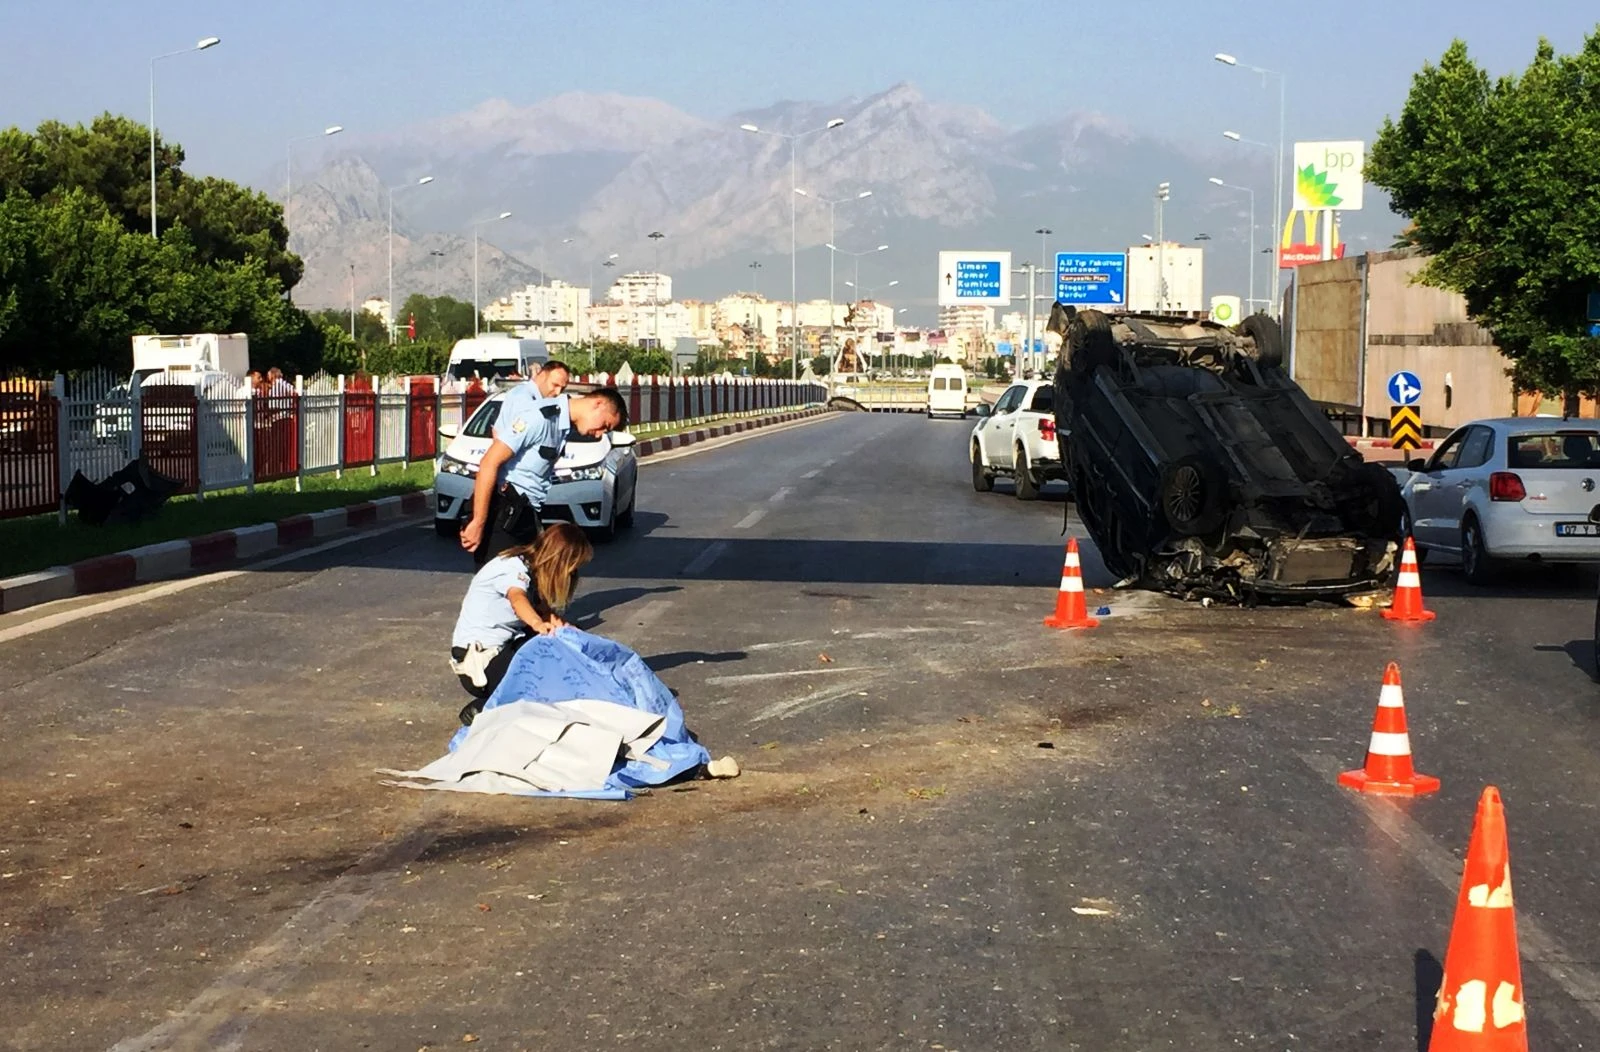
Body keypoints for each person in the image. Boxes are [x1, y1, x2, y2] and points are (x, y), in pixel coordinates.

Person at [460, 385, 628, 565]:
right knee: (500, 586)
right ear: (598, 403)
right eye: (605, 425)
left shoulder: (562, 427)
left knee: (530, 584)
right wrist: (478, 521)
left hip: (526, 514)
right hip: (503, 514)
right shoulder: (540, 418)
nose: (600, 434)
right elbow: (489, 463)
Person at [449, 523, 594, 725]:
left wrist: (576, 636)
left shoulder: (530, 571)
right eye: (572, 568)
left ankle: (504, 700)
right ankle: (485, 708)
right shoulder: (512, 568)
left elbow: (549, 617)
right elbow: (517, 600)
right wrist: (537, 625)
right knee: (543, 682)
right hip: (479, 660)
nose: (572, 575)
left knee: (559, 653)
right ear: (559, 561)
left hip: (502, 650)